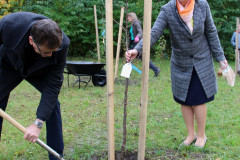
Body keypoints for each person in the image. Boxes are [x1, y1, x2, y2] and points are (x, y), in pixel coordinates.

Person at [126, 0, 228, 148]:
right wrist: (138, 49)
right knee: (184, 99)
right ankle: (190, 134)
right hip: (181, 62)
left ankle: (201, 135)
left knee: (199, 98)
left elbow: (211, 32)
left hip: (202, 59)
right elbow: (154, 33)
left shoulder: (202, 5)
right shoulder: (168, 9)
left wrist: (221, 57)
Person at [0, 12, 70, 159]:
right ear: (31, 40)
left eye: (53, 51)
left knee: (52, 105)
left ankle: (56, 155)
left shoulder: (62, 44)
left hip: (40, 69)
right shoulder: (9, 25)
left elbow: (53, 85)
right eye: (46, 51)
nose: (50, 55)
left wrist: (38, 122)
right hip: (10, 63)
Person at [127, 12, 161, 77]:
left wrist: (137, 37)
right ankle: (156, 69)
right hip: (133, 44)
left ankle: (127, 73)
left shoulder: (136, 23)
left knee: (131, 58)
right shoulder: (132, 24)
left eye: (129, 17)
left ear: (132, 17)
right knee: (138, 58)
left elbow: (140, 32)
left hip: (137, 44)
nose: (128, 18)